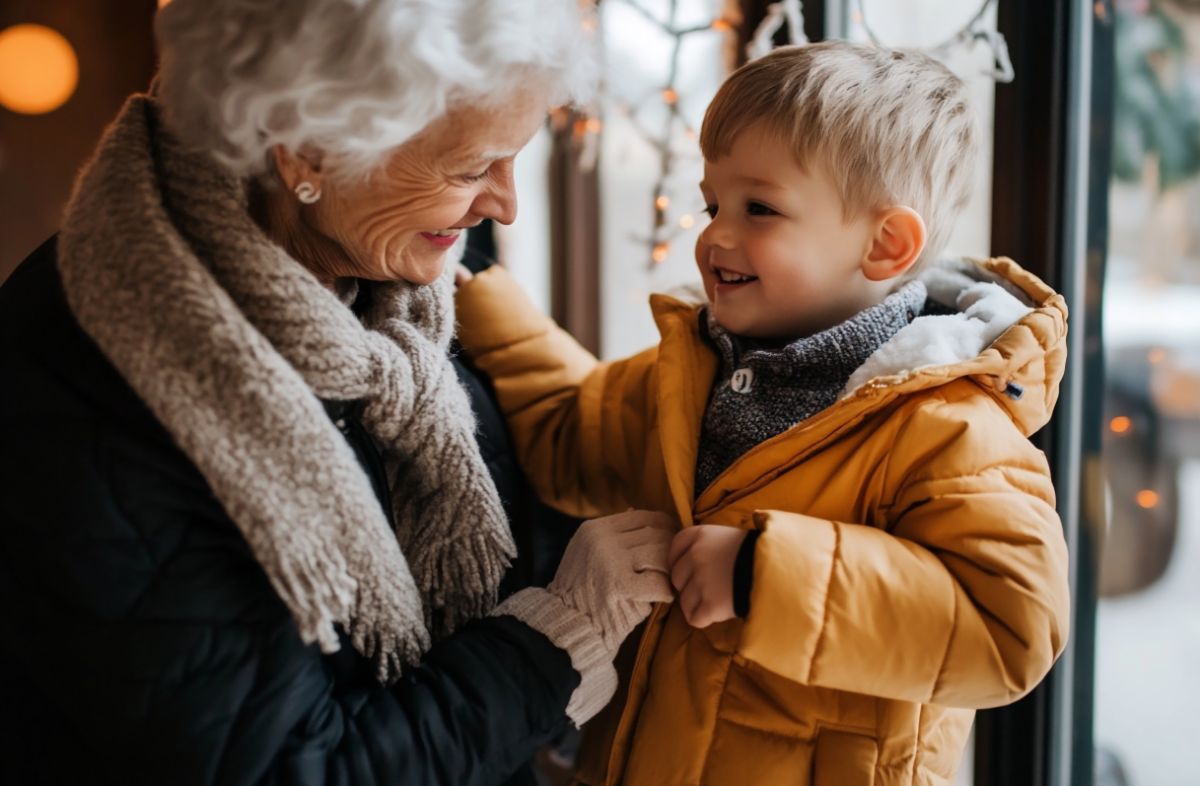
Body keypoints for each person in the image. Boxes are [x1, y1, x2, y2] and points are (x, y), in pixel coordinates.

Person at [0, 1, 676, 784]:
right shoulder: (91, 385)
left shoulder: (401, 294)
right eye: (470, 167)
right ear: (308, 152)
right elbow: (297, 768)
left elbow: (499, 526)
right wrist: (560, 638)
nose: (506, 204)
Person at [453, 41, 1072, 785]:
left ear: (885, 244)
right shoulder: (691, 375)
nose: (715, 236)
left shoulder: (950, 427)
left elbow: (1010, 630)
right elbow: (567, 429)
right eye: (713, 204)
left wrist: (762, 577)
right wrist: (479, 300)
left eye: (760, 209)